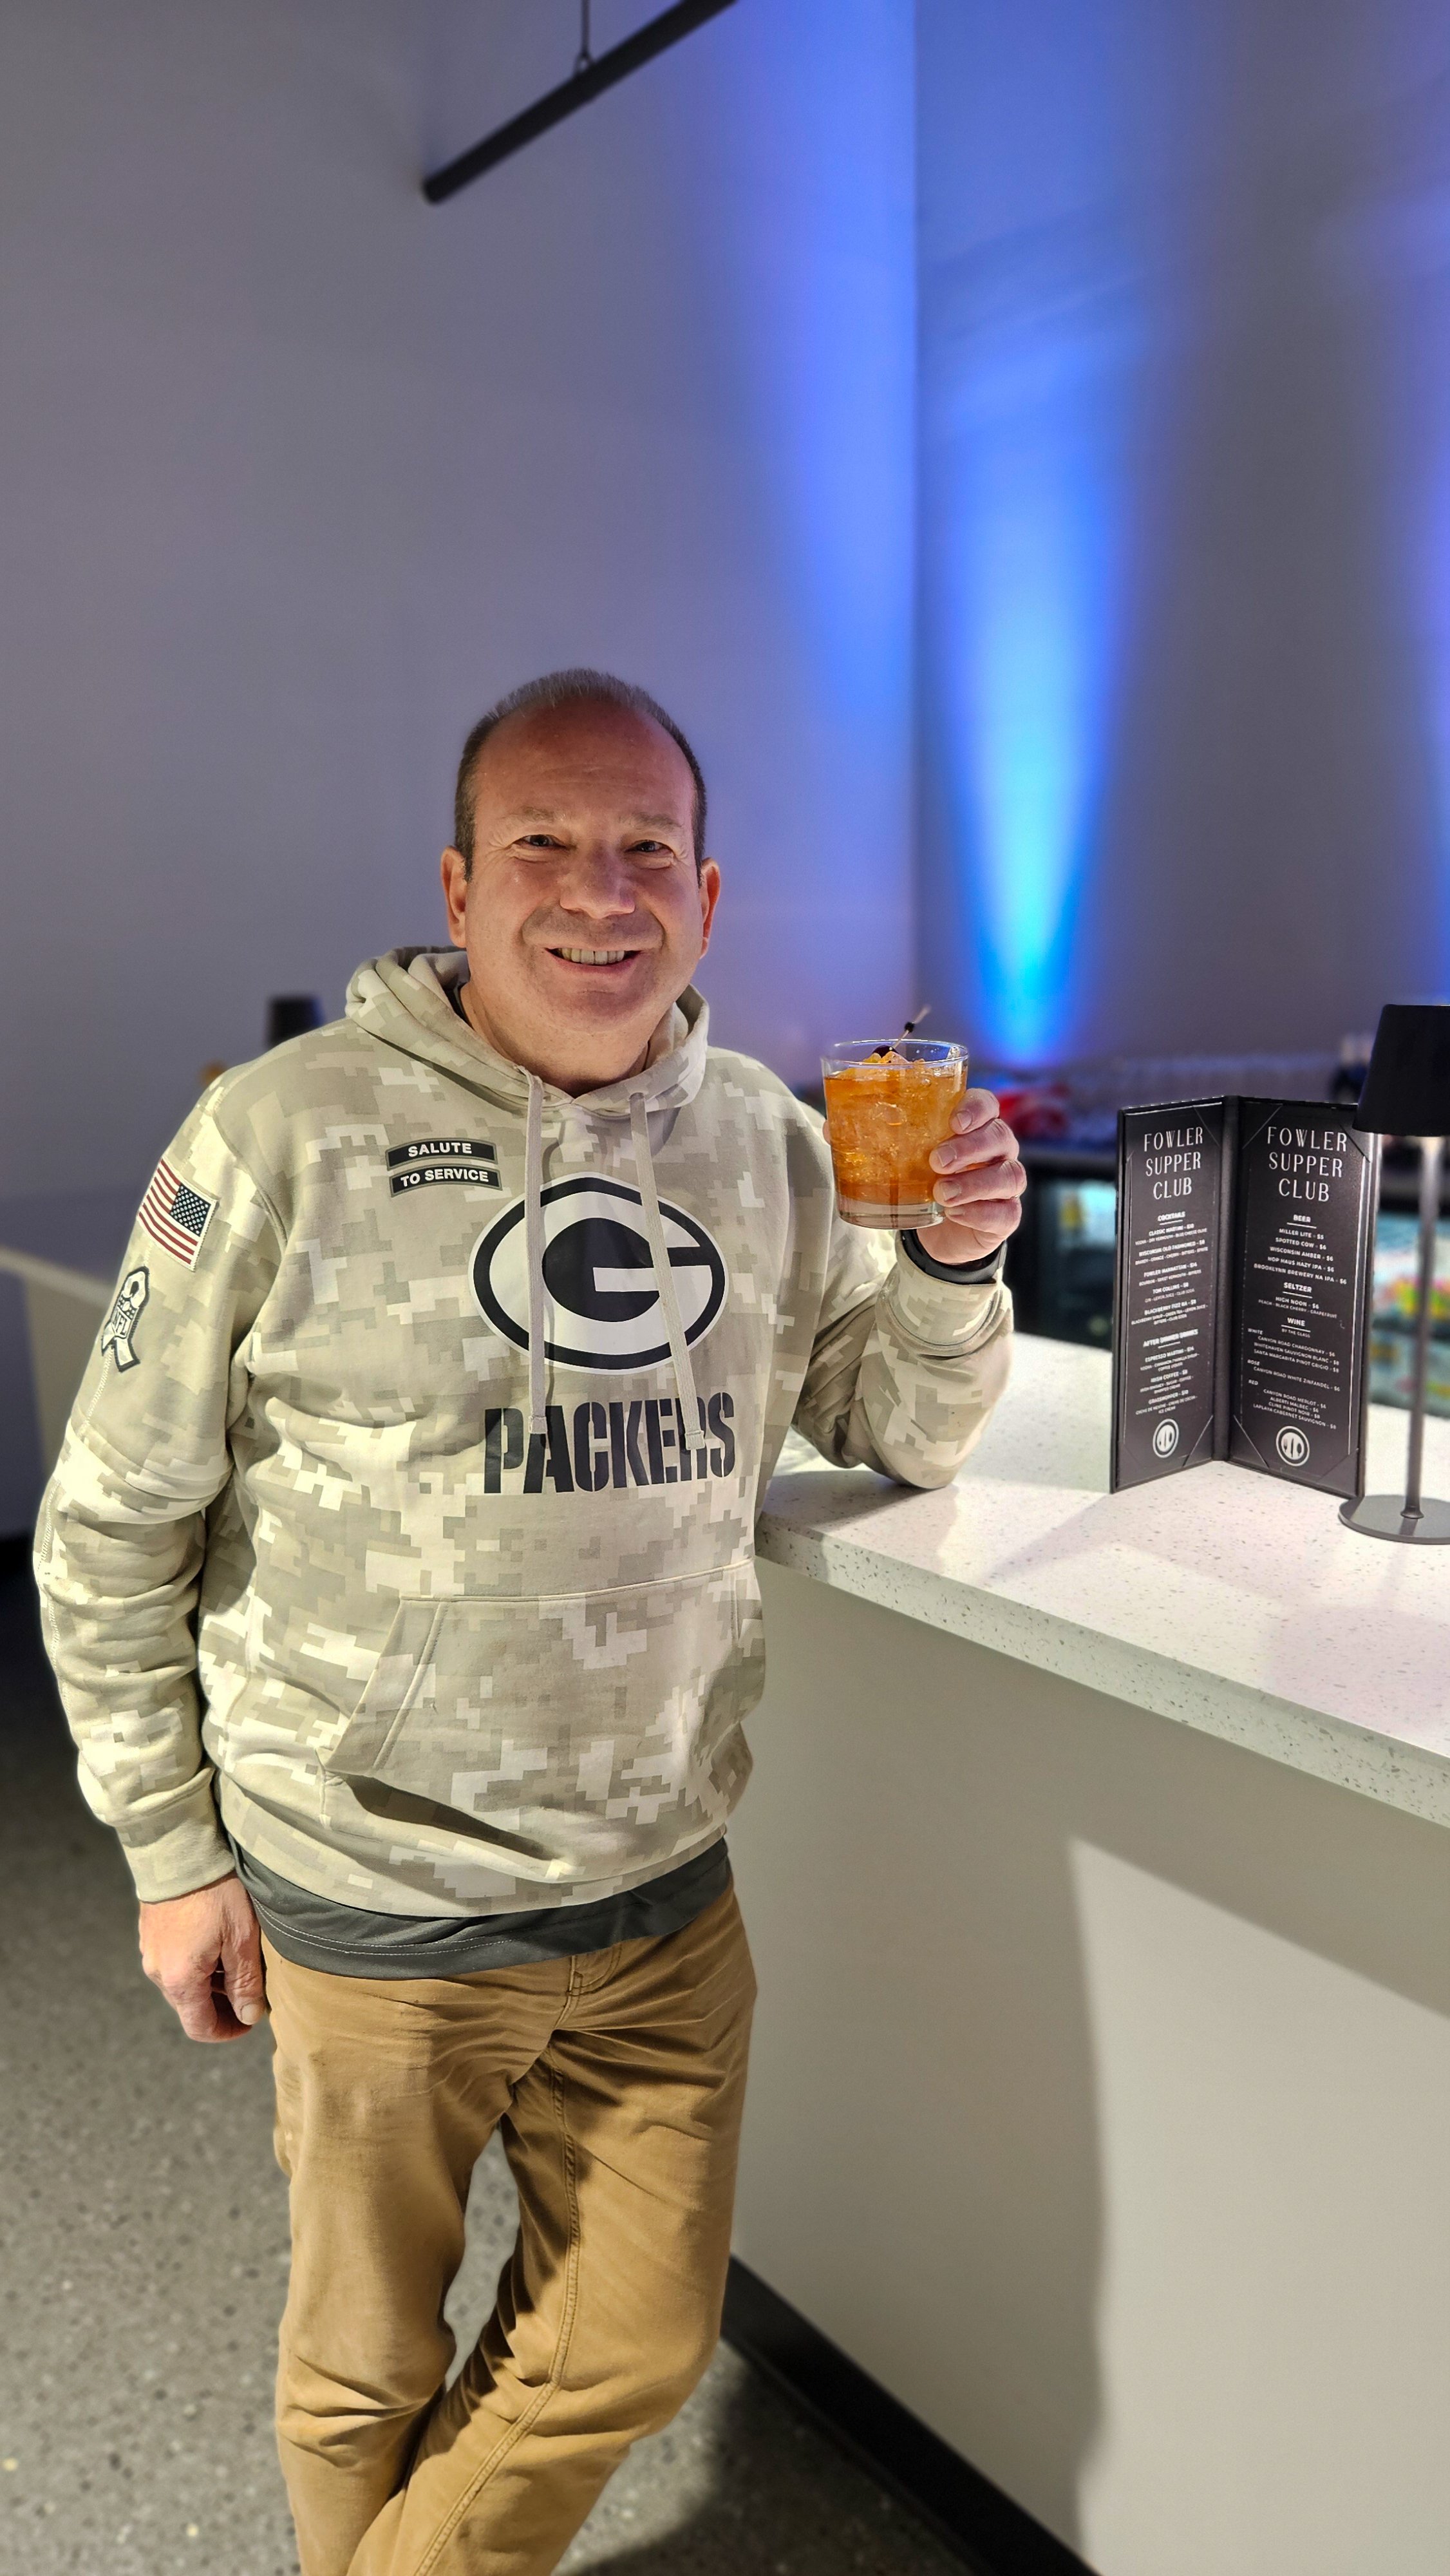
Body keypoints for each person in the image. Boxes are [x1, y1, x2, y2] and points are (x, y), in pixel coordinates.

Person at [35, 670, 1023, 2576]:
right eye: (545, 845)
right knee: (360, 2363)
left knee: (636, 2344)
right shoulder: (277, 1130)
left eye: (647, 846)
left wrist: (955, 1266)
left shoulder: (768, 1142)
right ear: (459, 883)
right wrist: (170, 1848)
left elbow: (897, 1427)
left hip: (661, 1889)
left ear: (710, 900)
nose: (600, 890)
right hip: (370, 1894)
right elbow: (105, 1526)